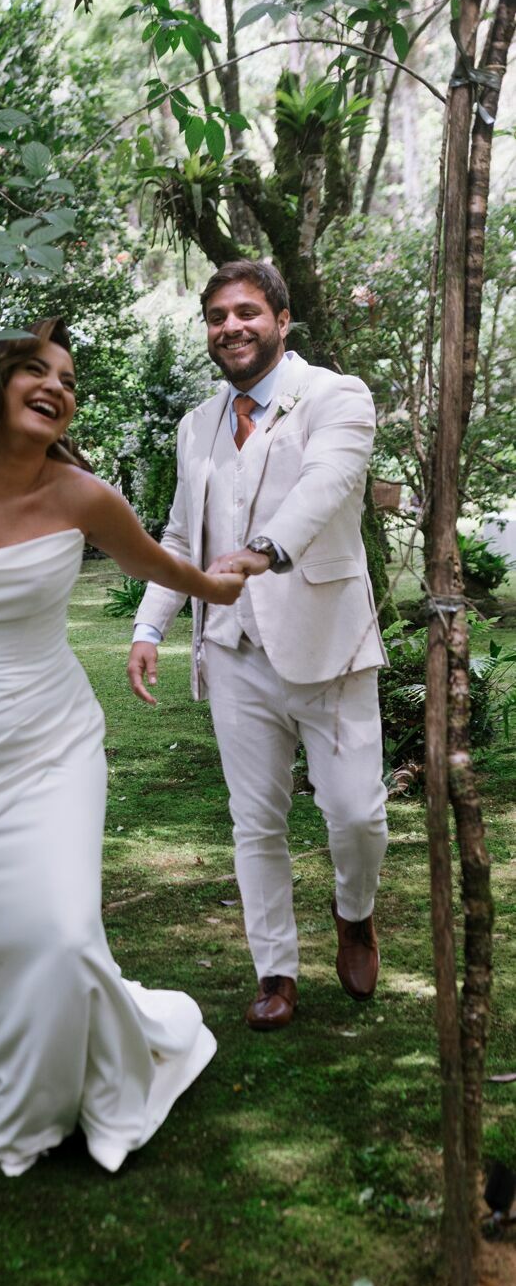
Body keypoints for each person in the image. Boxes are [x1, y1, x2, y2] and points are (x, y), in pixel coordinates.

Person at [0, 318, 245, 1177]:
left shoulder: (81, 496)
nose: (57, 387)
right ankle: (28, 1106)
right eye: (36, 369)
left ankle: (117, 1076)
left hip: (51, 737)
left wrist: (218, 587)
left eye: (67, 379)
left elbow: (158, 565)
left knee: (64, 933)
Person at [127, 260, 388, 1033]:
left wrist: (262, 550)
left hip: (328, 645)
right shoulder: (195, 424)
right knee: (254, 821)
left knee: (355, 816)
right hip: (232, 649)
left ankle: (354, 913)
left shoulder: (336, 396)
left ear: (280, 318)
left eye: (245, 312)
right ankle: (275, 970)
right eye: (216, 316)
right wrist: (149, 626)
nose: (230, 327)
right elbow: (182, 535)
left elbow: (325, 487)